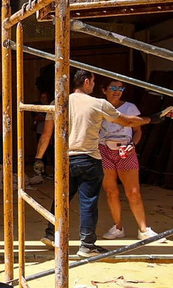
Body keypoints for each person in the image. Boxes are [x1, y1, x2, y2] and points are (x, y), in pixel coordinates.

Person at [33, 71, 148, 255]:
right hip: (88, 158)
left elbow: (46, 134)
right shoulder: (98, 103)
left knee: (61, 198)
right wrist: (152, 119)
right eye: (93, 82)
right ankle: (87, 245)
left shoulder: (58, 102)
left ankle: (51, 233)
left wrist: (39, 158)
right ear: (86, 82)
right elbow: (126, 122)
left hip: (64, 160)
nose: (94, 86)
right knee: (88, 202)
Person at [97, 80, 155, 240]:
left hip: (125, 150)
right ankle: (117, 227)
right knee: (111, 191)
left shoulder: (130, 107)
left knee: (133, 192)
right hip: (104, 150)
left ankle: (143, 229)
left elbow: (137, 131)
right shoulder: (99, 106)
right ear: (104, 90)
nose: (117, 91)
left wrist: (132, 145)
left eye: (120, 88)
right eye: (113, 88)